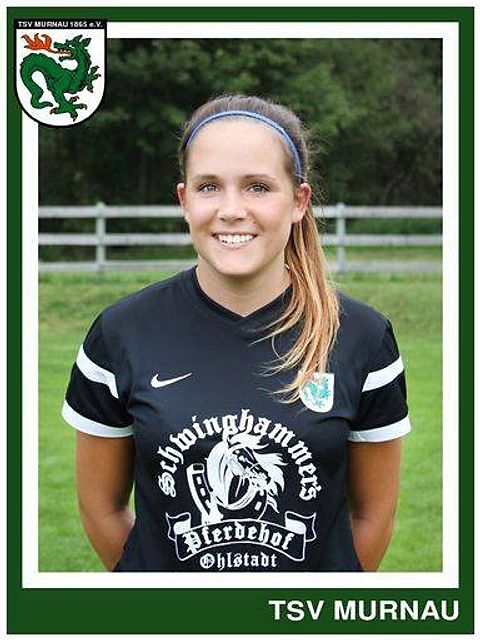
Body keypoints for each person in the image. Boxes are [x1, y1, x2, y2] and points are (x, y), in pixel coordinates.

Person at [62, 94, 411, 572]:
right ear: (184, 201)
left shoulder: (362, 337)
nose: (231, 209)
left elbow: (373, 519)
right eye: (209, 186)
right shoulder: (120, 333)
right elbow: (100, 509)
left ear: (298, 202)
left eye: (258, 188)